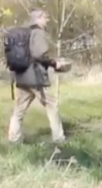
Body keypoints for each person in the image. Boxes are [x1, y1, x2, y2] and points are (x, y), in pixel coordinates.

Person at [7, 9, 66, 143]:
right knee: (52, 105)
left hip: (22, 75)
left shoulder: (24, 33)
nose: (47, 20)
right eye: (45, 17)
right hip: (35, 77)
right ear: (38, 18)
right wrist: (54, 63)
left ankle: (13, 139)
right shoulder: (38, 33)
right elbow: (39, 55)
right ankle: (59, 138)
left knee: (19, 109)